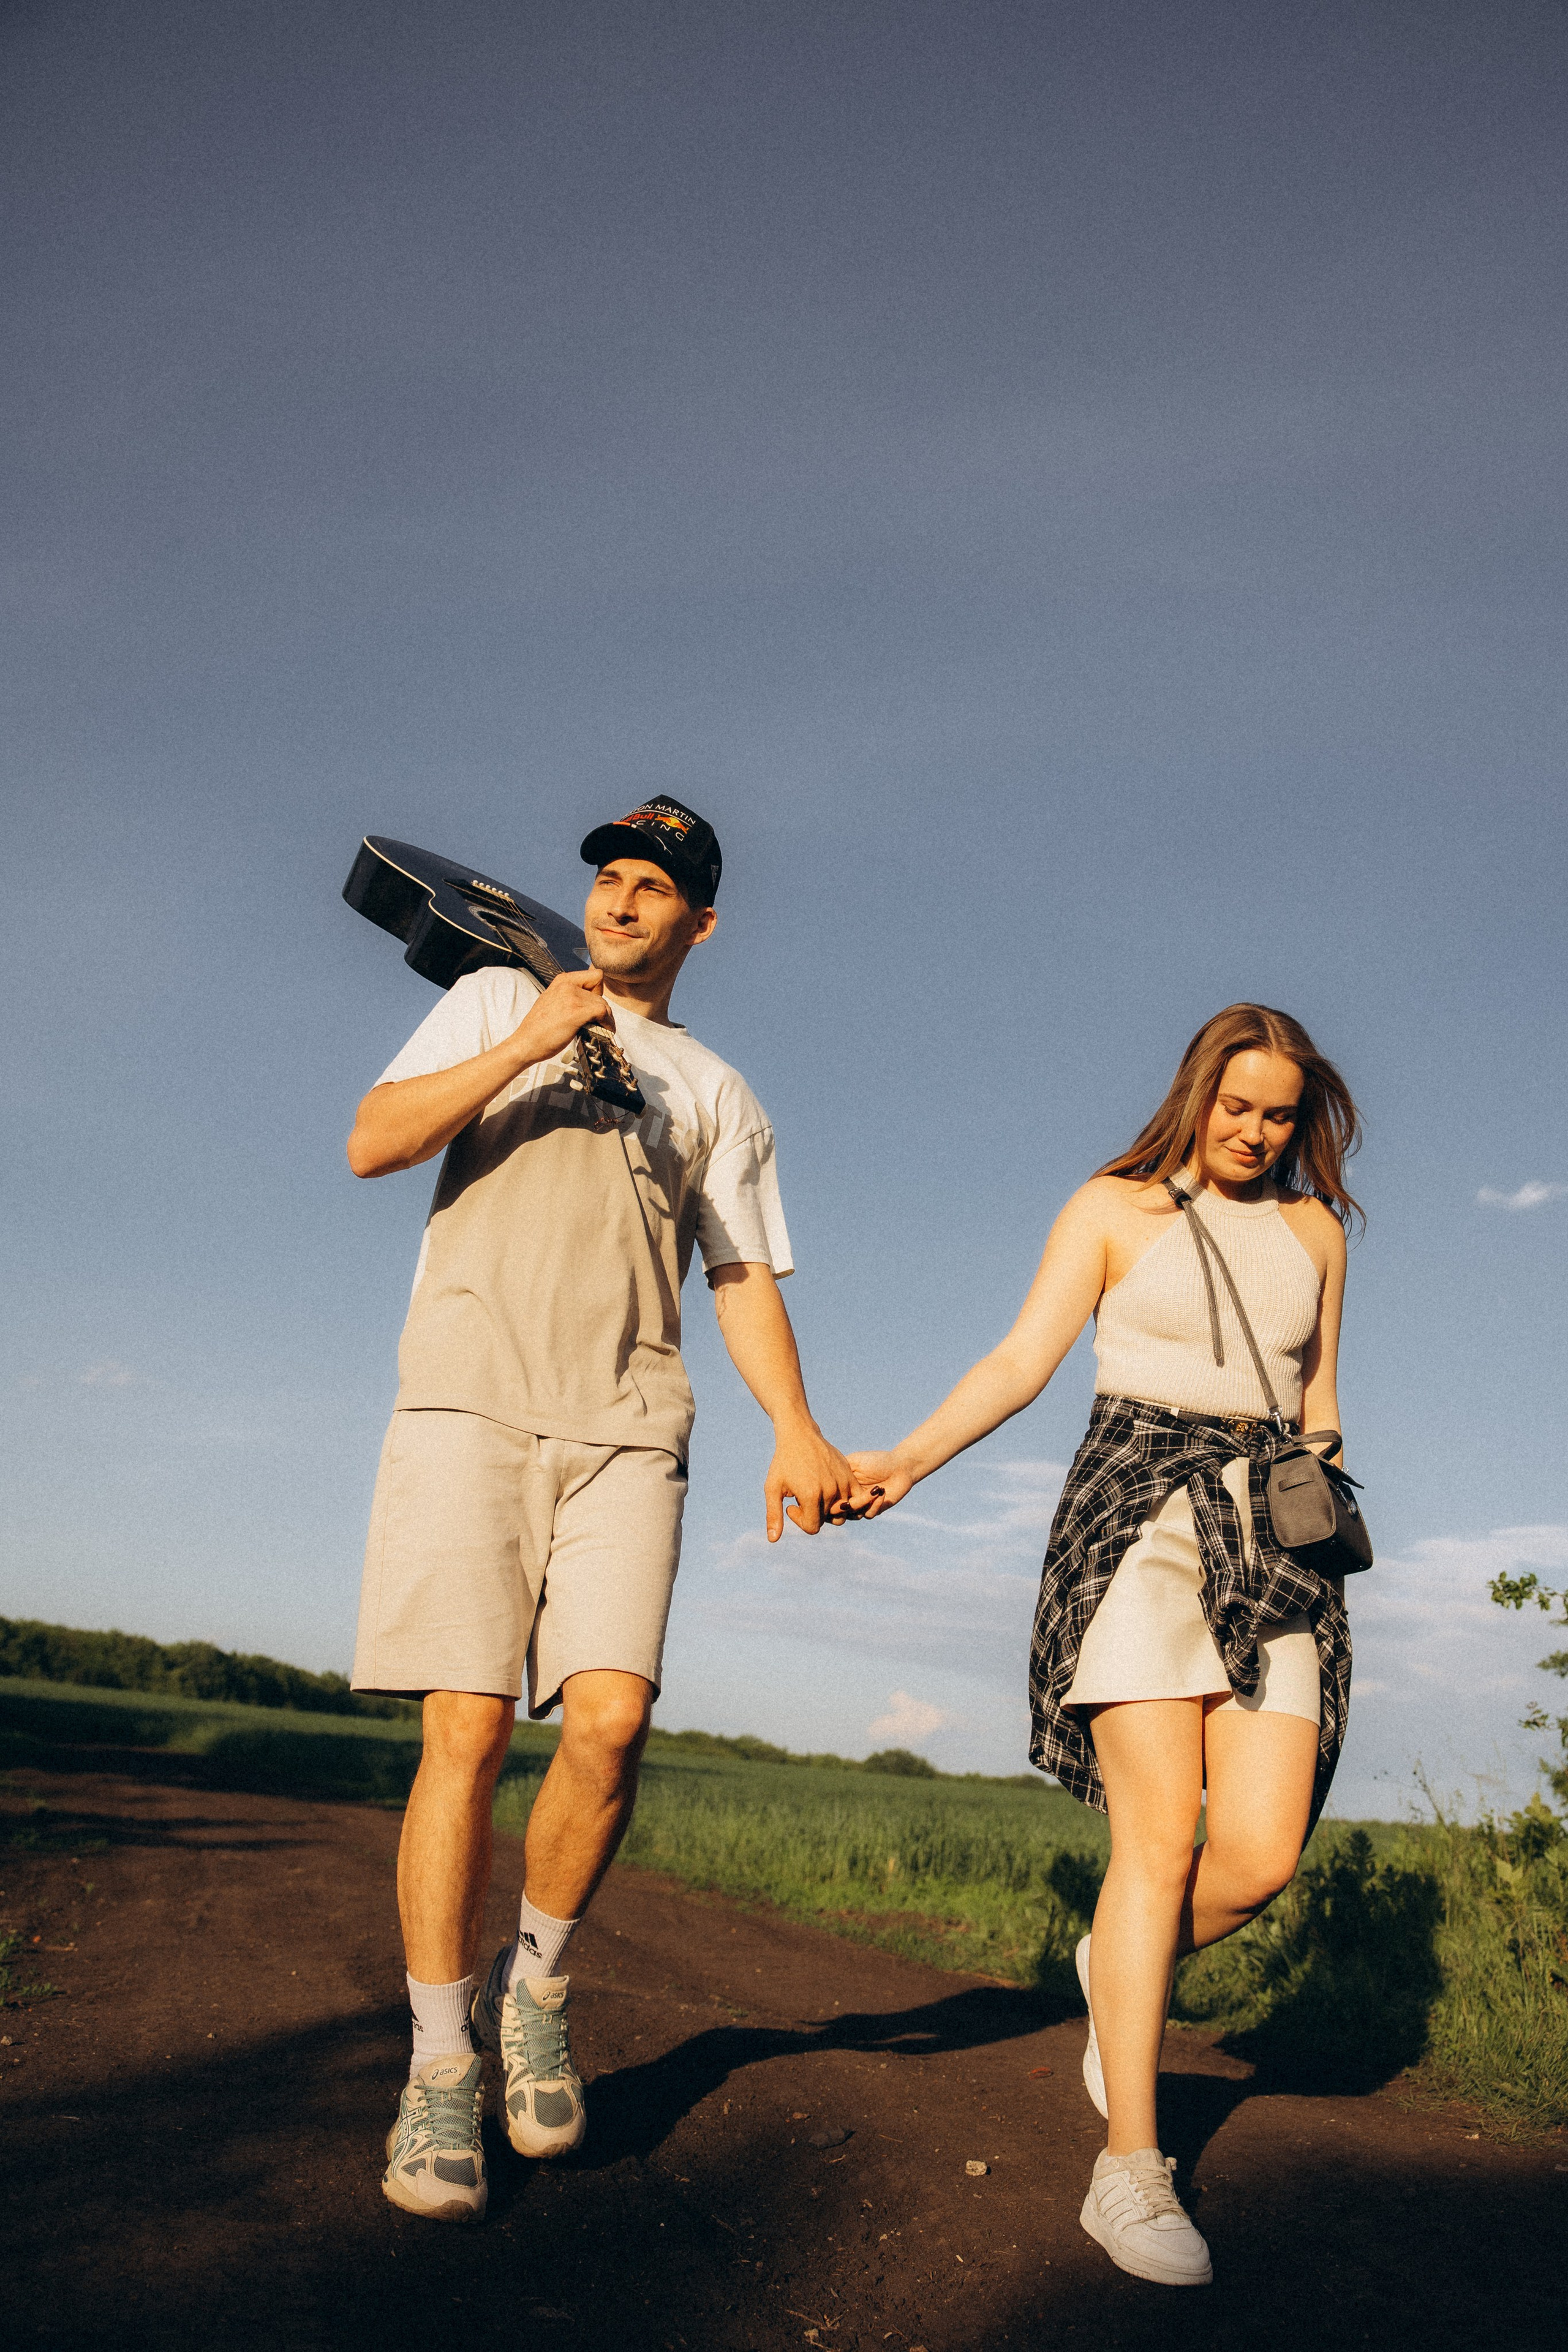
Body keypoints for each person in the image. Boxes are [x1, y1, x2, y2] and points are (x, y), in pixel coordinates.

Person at [347, 797, 858, 2223]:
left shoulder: (716, 1090)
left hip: (629, 1421)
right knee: (467, 1725)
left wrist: (797, 1429)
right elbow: (371, 1144)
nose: (623, 903)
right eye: (610, 880)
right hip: (466, 1399)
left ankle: (537, 1989)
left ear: (701, 923)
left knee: (614, 1718)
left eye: (655, 889)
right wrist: (521, 1043)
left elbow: (743, 1275)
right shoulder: (500, 992)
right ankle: (438, 2069)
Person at [848, 1004, 1360, 2288]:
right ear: (1197, 1093)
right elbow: (1021, 1360)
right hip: (1135, 1516)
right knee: (1158, 1843)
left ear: (1303, 1122)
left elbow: (1319, 1401)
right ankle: (1128, 2169)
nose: (1253, 1131)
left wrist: (1317, 1469)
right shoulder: (1111, 1209)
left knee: (1256, 1856)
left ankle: (1112, 1964)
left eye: (1277, 1114)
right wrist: (900, 1461)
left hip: (1270, 1537)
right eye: (1235, 1104)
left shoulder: (1313, 1233)